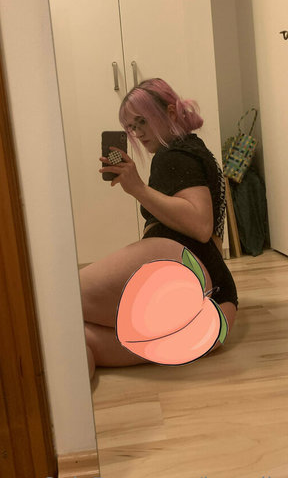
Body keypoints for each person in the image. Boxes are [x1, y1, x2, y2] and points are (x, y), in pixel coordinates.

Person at [81, 78, 238, 379]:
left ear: (170, 112)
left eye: (142, 121)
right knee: (80, 339)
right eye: (131, 127)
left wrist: (138, 188)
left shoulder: (174, 154)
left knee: (56, 304)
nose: (138, 133)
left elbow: (200, 225)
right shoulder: (196, 150)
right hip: (217, 317)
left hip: (185, 274)